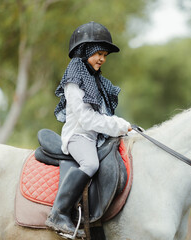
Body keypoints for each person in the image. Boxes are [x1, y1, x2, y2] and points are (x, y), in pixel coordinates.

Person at [45, 21, 131, 236]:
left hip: (96, 138)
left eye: (105, 55)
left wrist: (125, 128)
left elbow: (103, 116)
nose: (102, 59)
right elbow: (86, 119)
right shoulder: (74, 79)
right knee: (91, 164)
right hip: (79, 136)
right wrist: (119, 126)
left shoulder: (96, 80)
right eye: (98, 53)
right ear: (85, 51)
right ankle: (59, 212)